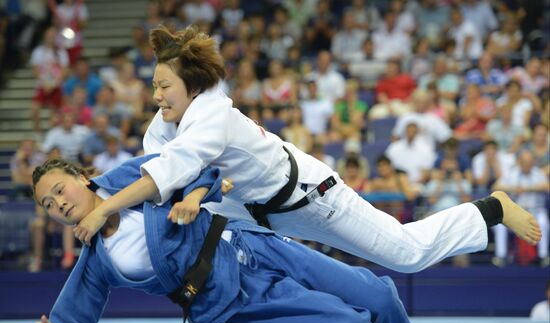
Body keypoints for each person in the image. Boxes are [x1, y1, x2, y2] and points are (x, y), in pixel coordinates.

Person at [74, 25, 541, 274]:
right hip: (252, 210)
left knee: (407, 254)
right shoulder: (162, 128)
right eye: (153, 86)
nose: (156, 96)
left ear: (192, 83)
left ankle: (490, 208)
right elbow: (164, 181)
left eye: (164, 86)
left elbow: (161, 177)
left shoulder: (211, 114)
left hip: (313, 197)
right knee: (182, 223)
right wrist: (100, 198)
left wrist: (100, 211)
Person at [28, 156, 419, 323]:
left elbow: (197, 169)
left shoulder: (132, 177)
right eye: (48, 204)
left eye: (60, 190)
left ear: (83, 177)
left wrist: (194, 198)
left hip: (246, 244)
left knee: (376, 296)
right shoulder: (98, 261)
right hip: (227, 300)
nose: (57, 204)